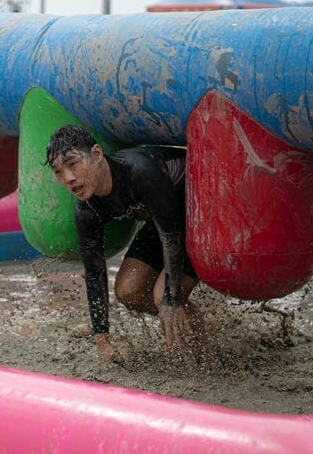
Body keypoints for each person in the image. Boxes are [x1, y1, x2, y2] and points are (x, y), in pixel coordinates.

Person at [45, 125, 199, 362]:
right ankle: (200, 324)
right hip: (164, 223)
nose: (69, 178)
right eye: (58, 172)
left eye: (73, 164)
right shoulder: (87, 210)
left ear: (96, 154)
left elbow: (171, 235)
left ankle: (204, 356)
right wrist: (102, 338)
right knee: (127, 291)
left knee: (163, 296)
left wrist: (171, 297)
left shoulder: (139, 171)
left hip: (200, 217)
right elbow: (94, 273)